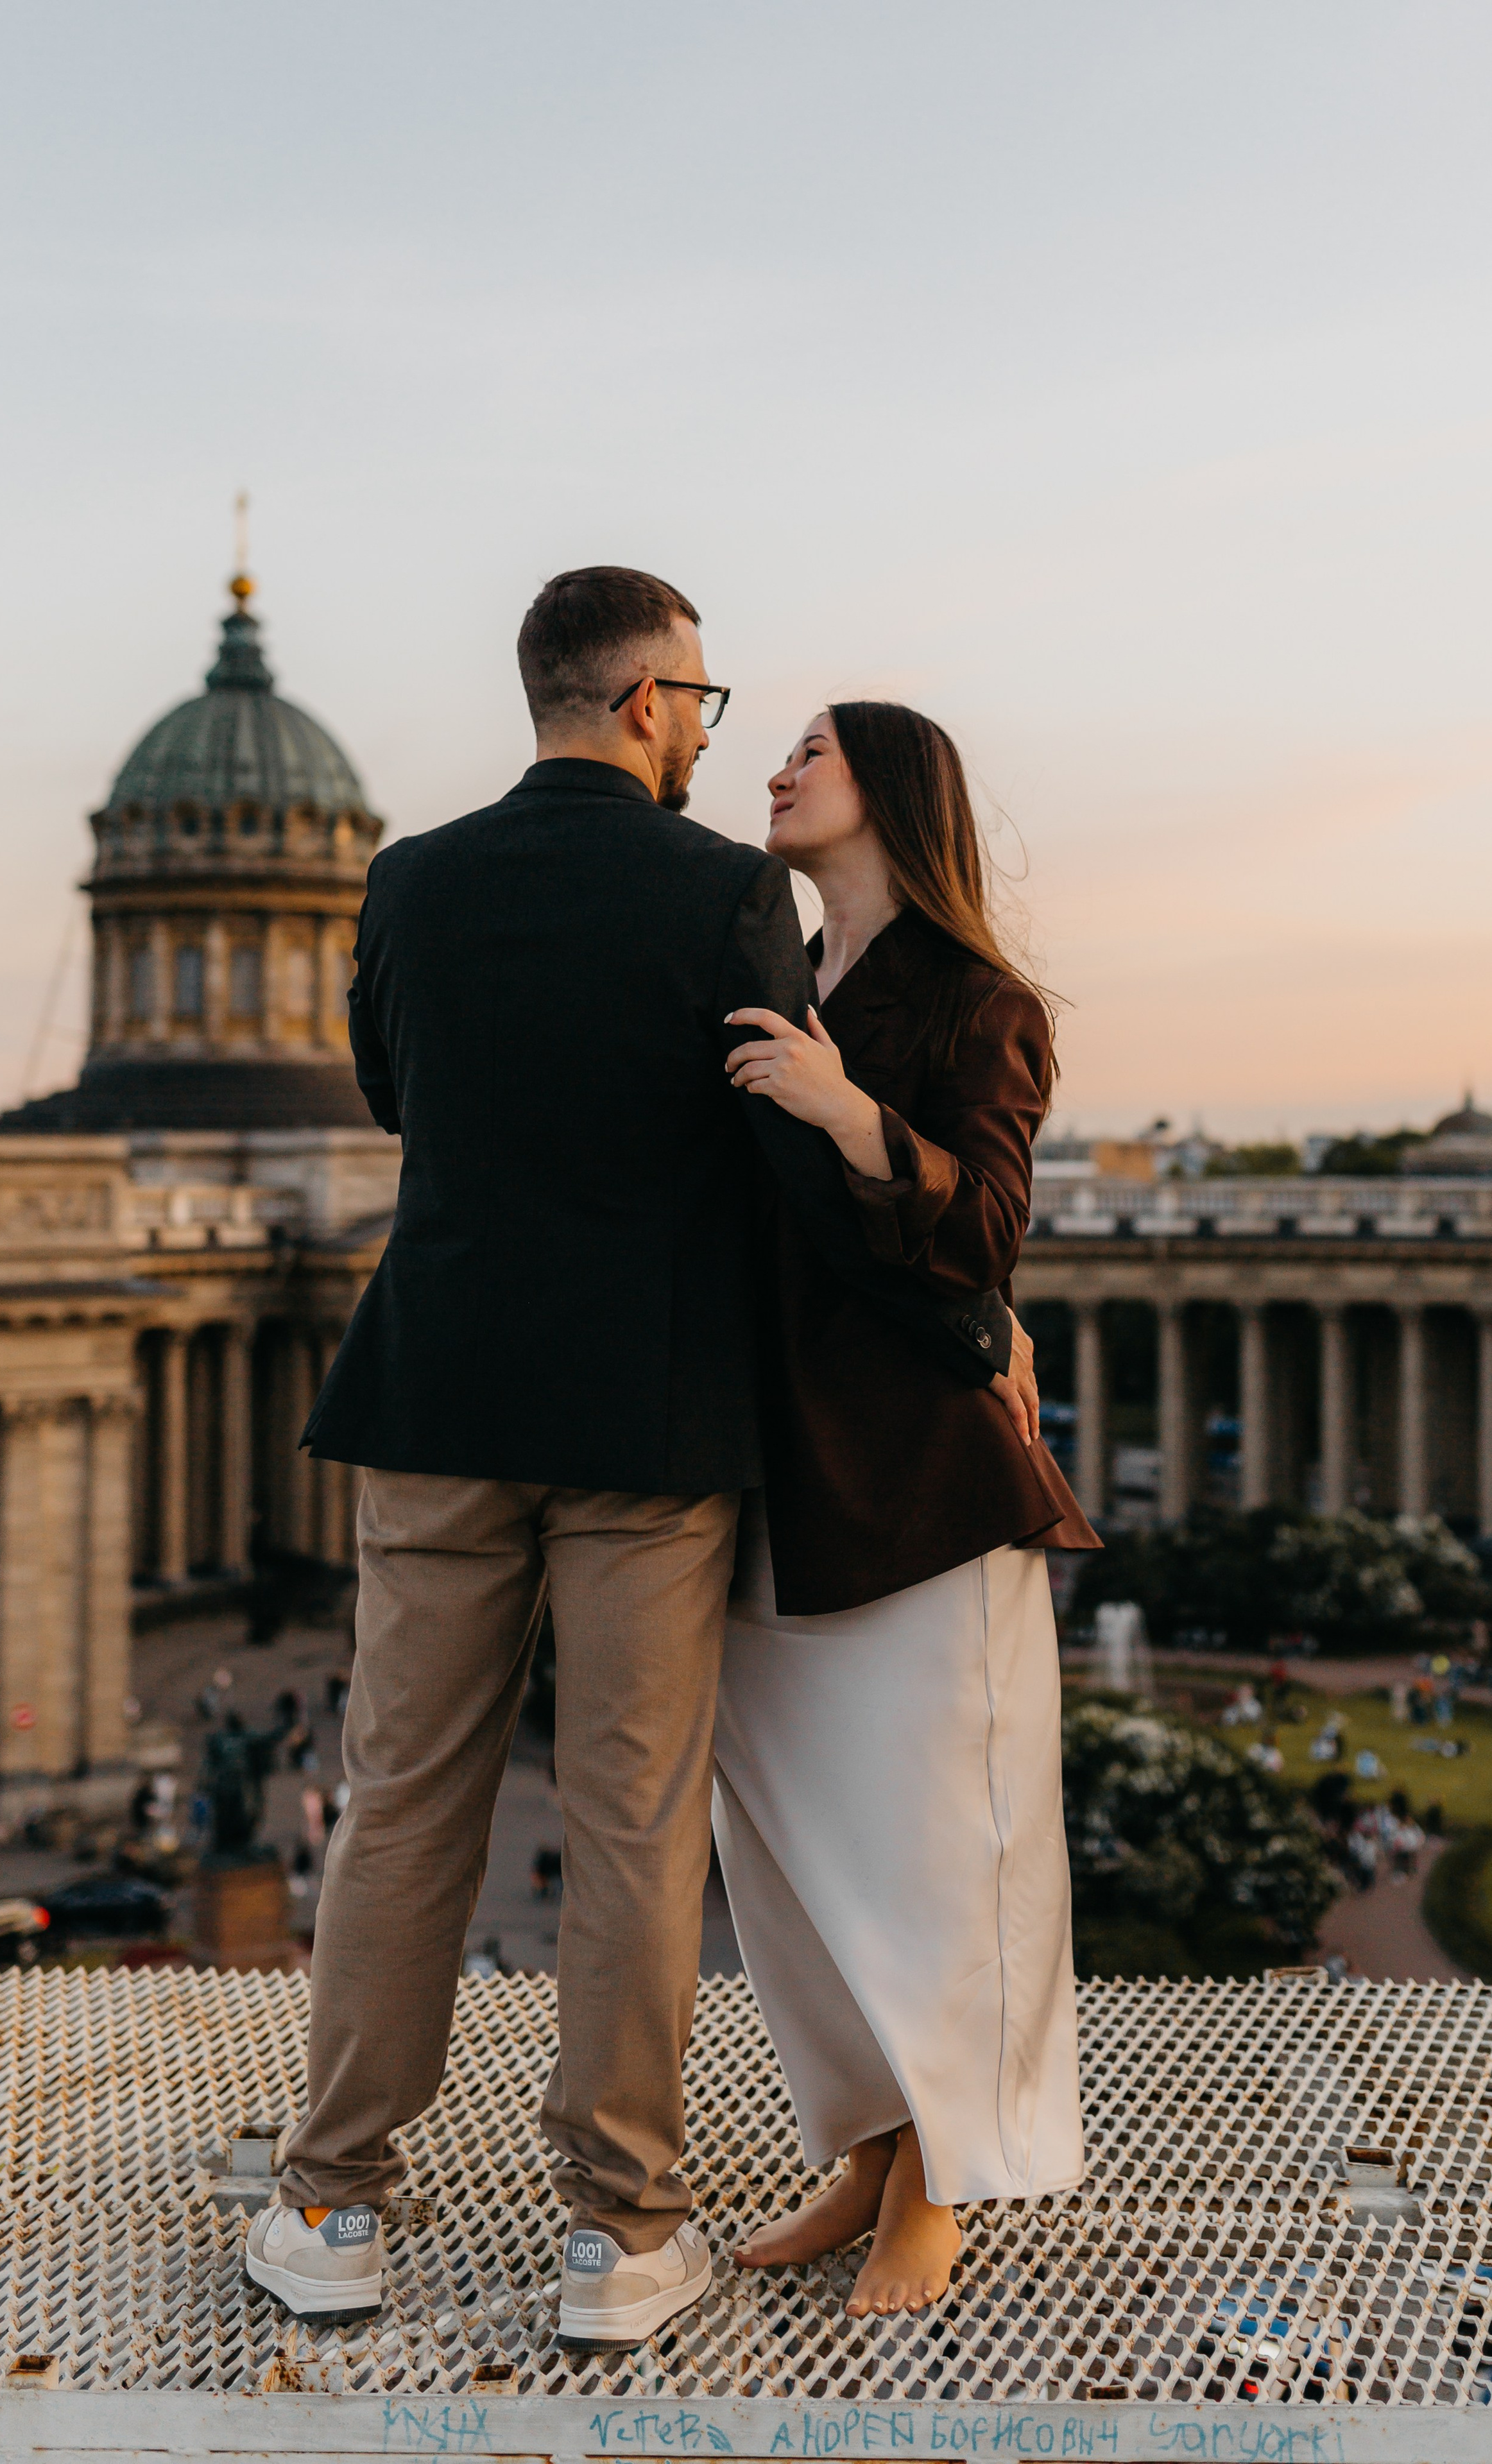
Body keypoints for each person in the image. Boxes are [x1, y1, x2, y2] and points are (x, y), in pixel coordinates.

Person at [244, 570, 1025, 2341]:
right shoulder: (727, 894)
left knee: (399, 1803)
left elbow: (398, 1098)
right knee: (631, 1825)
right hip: (648, 1421)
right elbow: (784, 1167)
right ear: (647, 700)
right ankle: (619, 2230)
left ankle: (331, 2201)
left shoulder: (408, 882)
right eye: (702, 701)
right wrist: (976, 1330)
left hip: (435, 1402)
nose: (706, 731)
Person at [711, 701, 1097, 2316]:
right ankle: (868, 2145)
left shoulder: (975, 999)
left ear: (893, 790)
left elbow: (987, 1234)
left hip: (918, 1478)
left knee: (944, 1838)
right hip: (762, 1464)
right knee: (795, 1849)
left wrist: (841, 1110)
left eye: (814, 748)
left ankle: (945, 2174)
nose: (778, 768)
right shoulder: (767, 976)